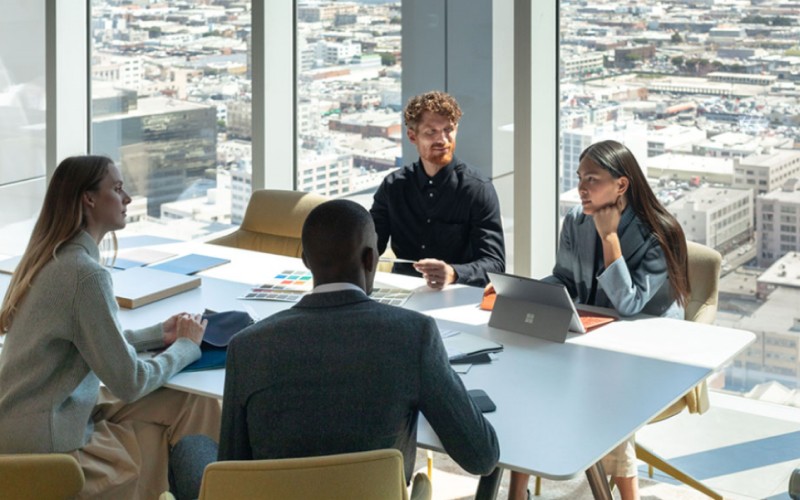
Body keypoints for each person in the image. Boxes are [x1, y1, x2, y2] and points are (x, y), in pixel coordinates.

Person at [169, 199, 500, 499]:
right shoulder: (414, 334)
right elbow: (481, 457)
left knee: (191, 448)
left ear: (305, 260)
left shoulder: (248, 346)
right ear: (370, 259)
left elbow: (233, 469)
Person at [0, 156, 221, 499]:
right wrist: (185, 348)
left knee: (195, 402)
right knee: (164, 428)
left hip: (26, 419)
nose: (128, 198)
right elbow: (130, 382)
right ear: (88, 199)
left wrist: (157, 333)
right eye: (117, 189)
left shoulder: (54, 258)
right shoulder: (85, 275)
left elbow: (83, 341)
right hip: (49, 442)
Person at [507, 140, 691, 500]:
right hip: (593, 343)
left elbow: (628, 303)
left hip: (647, 356)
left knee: (604, 398)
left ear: (621, 185)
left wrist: (610, 238)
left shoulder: (659, 233)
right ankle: (517, 491)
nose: (581, 187)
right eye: (579, 178)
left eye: (592, 179)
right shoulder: (576, 221)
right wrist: (525, 292)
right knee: (527, 383)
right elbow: (563, 277)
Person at [370, 90, 505, 289]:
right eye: (431, 132)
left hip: (457, 294)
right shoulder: (393, 186)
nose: (442, 139)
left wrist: (454, 273)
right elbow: (368, 247)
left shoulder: (478, 189)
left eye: (448, 129)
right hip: (402, 290)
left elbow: (495, 265)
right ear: (412, 136)